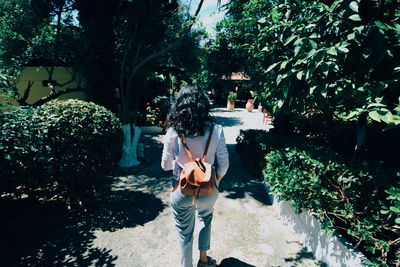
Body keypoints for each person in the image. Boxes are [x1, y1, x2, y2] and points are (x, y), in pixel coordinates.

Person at [161, 85, 229, 267]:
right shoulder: (217, 129)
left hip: (181, 189)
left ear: (180, 105)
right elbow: (224, 164)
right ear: (204, 104)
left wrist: (181, 167)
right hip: (209, 188)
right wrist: (215, 181)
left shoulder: (173, 131)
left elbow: (165, 165)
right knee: (206, 218)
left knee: (184, 232)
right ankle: (204, 261)